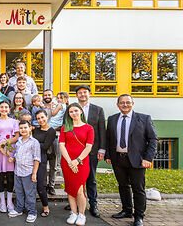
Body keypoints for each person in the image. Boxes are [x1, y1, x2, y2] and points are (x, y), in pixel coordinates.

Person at [105, 94, 157, 226]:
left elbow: (153, 139)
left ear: (132, 103)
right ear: (117, 105)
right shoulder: (112, 119)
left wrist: (148, 158)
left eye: (128, 102)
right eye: (122, 103)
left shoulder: (144, 118)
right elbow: (109, 139)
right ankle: (127, 210)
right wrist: (108, 155)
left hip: (138, 160)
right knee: (123, 186)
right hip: (118, 159)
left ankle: (139, 216)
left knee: (138, 188)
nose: (125, 105)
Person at [73, 85, 106, 218]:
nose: (82, 95)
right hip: (75, 150)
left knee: (91, 179)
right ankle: (75, 203)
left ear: (89, 94)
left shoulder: (98, 110)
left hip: (92, 150)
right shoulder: (72, 109)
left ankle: (93, 204)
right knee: (75, 178)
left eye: (84, 93)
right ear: (76, 95)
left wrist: (102, 149)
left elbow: (102, 130)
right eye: (79, 93)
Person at [59, 103, 94, 226]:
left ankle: (82, 214)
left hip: (82, 162)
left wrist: (77, 161)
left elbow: (89, 147)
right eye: (71, 112)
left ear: (81, 112)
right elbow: (61, 145)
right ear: (68, 114)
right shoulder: (65, 127)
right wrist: (69, 162)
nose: (73, 113)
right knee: (70, 188)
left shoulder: (89, 128)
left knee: (79, 189)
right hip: (67, 161)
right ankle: (73, 213)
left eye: (76, 111)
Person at [7, 120, 40, 223]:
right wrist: (13, 159)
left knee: (29, 193)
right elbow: (17, 154)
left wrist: (34, 173)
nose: (23, 130)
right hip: (18, 171)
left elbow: (36, 158)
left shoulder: (34, 142)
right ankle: (19, 209)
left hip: (28, 172)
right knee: (19, 192)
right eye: (21, 128)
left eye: (25, 127)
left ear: (30, 128)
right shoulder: (18, 141)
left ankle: (32, 212)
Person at [0, 101, 20, 213]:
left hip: (11, 150)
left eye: (6, 107)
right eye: (1, 107)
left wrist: (5, 145)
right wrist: (1, 149)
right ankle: (2, 201)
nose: (4, 109)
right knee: (0, 175)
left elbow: (16, 136)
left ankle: (9, 201)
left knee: (10, 175)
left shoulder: (14, 122)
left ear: (9, 109)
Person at [32, 110, 56, 217]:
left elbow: (46, 146)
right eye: (38, 118)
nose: (40, 120)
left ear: (47, 116)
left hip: (41, 159)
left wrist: (33, 144)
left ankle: (46, 207)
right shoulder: (35, 130)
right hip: (30, 159)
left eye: (42, 117)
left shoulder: (51, 131)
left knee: (40, 185)